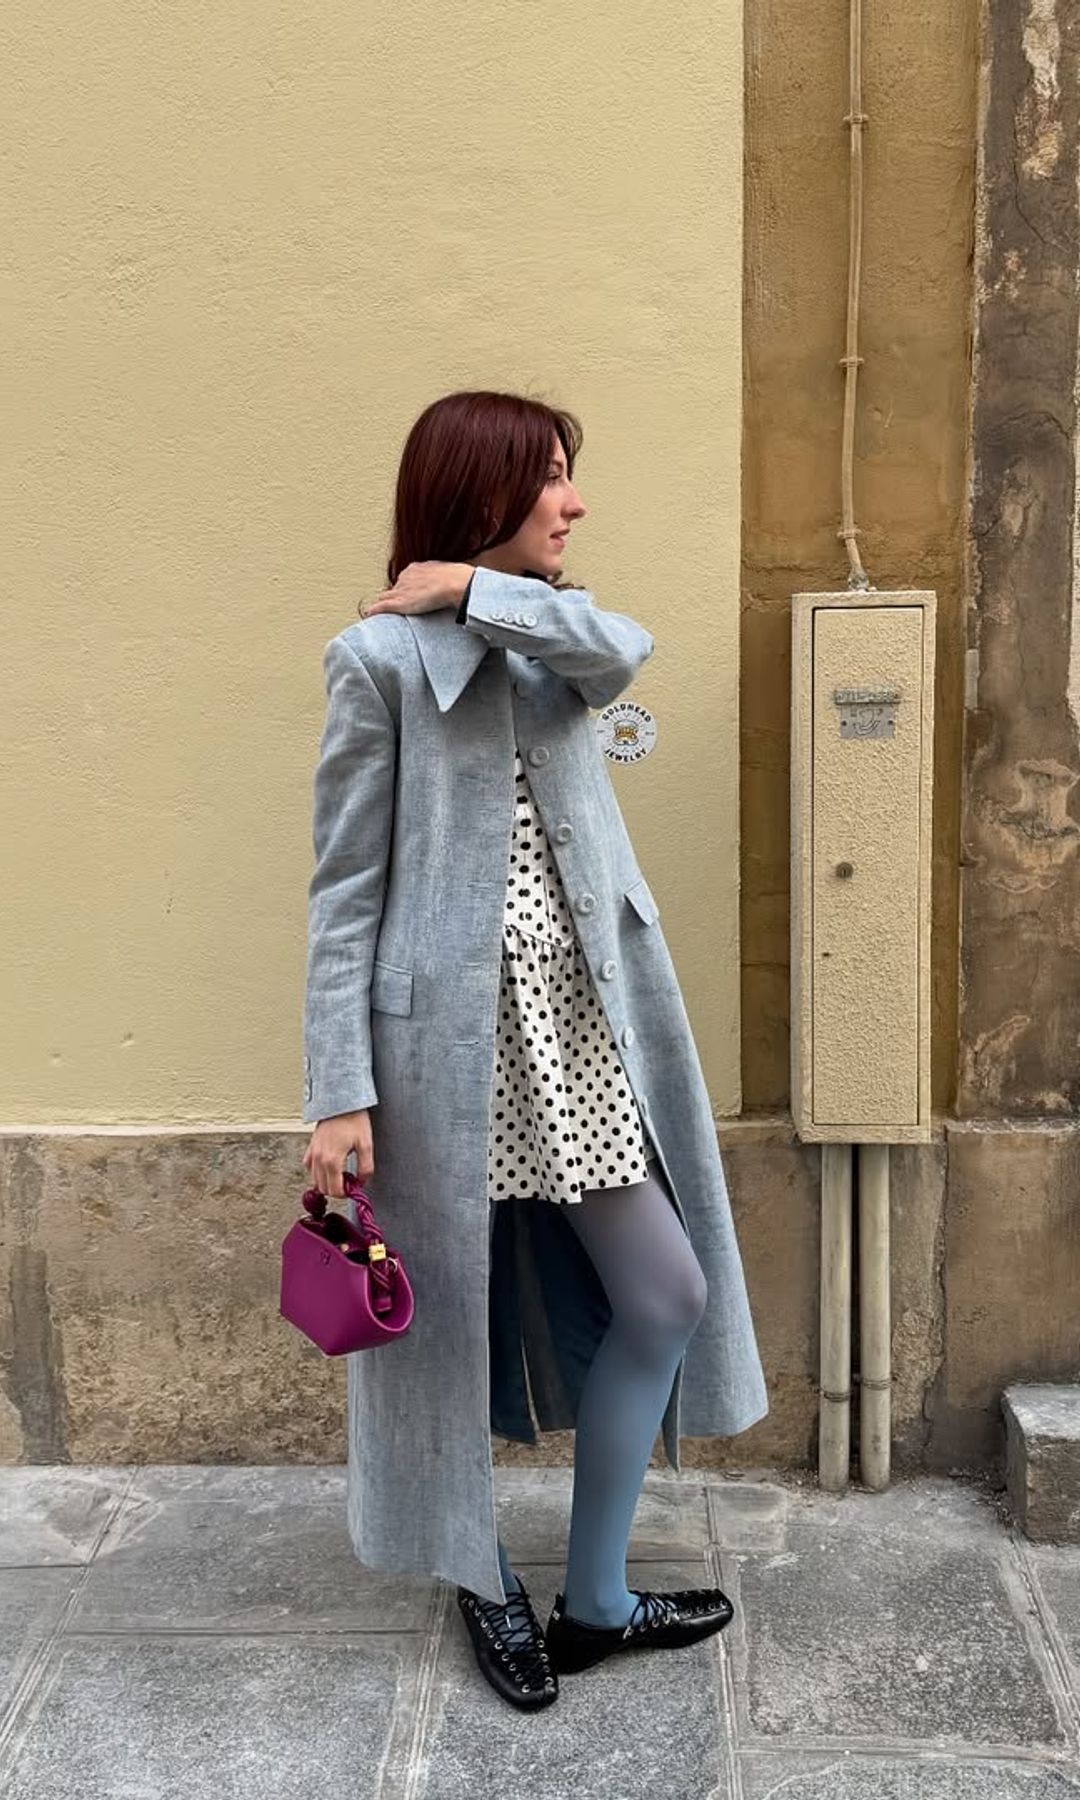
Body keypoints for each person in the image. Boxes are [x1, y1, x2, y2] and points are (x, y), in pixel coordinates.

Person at [301, 389, 769, 1712]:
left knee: (662, 1296)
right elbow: (343, 894)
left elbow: (622, 648)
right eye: (551, 477)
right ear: (482, 486)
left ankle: (598, 1598)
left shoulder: (556, 641)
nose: (573, 501)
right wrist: (337, 1090)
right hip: (442, 1054)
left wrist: (469, 587)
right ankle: (480, 1579)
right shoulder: (375, 664)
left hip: (579, 1038)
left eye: (570, 477)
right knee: (437, 1335)